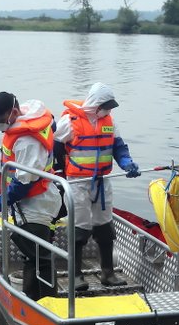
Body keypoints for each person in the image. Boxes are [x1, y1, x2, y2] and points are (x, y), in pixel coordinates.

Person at [54, 82, 140, 289]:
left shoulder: (110, 122)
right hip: (77, 183)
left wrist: (127, 162)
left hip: (102, 182)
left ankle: (108, 274)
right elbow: (55, 147)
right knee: (79, 228)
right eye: (106, 106)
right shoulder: (68, 122)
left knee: (105, 227)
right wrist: (60, 173)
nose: (109, 110)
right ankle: (76, 276)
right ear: (95, 105)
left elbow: (119, 147)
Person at [0, 91, 60, 300]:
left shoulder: (27, 141)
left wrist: (1, 202)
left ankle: (48, 304)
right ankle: (32, 298)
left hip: (37, 203)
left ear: (14, 111)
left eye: (0, 120)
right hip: (32, 201)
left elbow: (23, 183)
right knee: (32, 254)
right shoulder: (25, 117)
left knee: (40, 256)